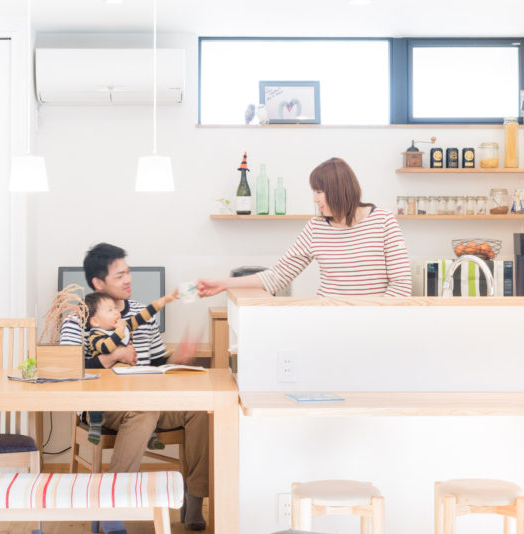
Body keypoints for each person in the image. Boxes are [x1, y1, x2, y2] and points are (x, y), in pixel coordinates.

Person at [60, 243, 210, 533]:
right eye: (119, 275)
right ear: (98, 283)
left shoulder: (142, 311)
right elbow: (68, 369)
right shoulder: (78, 316)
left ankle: (194, 495)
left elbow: (156, 361)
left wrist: (180, 359)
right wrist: (113, 356)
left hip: (148, 401)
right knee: (145, 409)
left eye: (128, 272)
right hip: (105, 410)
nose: (128, 279)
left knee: (201, 410)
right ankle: (112, 503)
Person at [198, 157, 412, 297]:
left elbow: (401, 286)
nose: (315, 199)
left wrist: (369, 319)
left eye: (319, 192)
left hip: (375, 327)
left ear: (338, 191)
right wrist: (223, 284)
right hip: (326, 323)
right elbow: (277, 276)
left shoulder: (383, 221)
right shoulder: (316, 228)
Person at [83, 289, 179, 450]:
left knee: (148, 403)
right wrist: (120, 335)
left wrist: (164, 300)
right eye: (110, 310)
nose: (116, 312)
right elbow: (107, 347)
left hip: (128, 389)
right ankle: (95, 426)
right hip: (106, 395)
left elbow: (144, 316)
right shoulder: (96, 336)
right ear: (95, 321)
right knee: (139, 410)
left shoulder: (125, 327)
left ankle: (152, 437)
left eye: (116, 308)